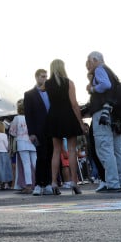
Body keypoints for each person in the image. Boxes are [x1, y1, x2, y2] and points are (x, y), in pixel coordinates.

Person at [85, 51, 121, 193]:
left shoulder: (100, 69)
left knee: (105, 149)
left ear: (95, 60)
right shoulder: (111, 72)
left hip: (102, 114)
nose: (88, 64)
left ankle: (112, 183)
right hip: (115, 115)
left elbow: (105, 85)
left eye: (89, 61)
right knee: (118, 151)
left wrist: (92, 89)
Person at [45, 59, 84, 195]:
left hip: (54, 117)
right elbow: (74, 104)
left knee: (56, 151)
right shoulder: (69, 83)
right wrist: (80, 121)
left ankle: (54, 182)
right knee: (72, 150)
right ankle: (74, 181)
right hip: (68, 116)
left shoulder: (47, 84)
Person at [23, 68, 53, 196]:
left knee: (50, 157)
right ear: (36, 77)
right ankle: (38, 184)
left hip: (52, 130)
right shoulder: (29, 94)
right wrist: (31, 133)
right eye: (42, 76)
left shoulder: (51, 93)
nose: (45, 79)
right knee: (41, 157)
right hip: (38, 132)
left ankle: (48, 184)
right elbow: (28, 115)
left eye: (46, 76)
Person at [9, 99, 36, 194]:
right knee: (35, 163)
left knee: (26, 164)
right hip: (33, 143)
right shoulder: (32, 117)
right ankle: (40, 183)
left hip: (22, 142)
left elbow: (12, 132)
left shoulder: (17, 118)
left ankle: (28, 186)